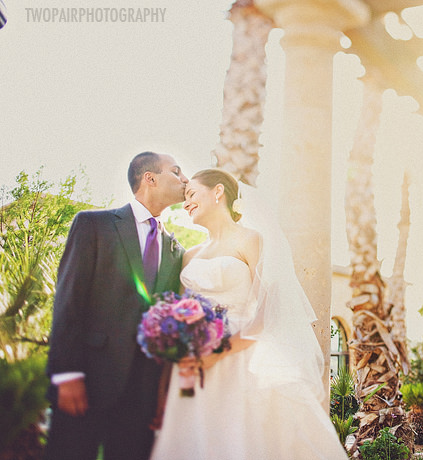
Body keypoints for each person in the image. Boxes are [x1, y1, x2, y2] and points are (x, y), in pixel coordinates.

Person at [150, 168, 348, 460]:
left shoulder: (251, 240)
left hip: (243, 359)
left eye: (191, 194)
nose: (186, 203)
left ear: (218, 192)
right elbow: (179, 312)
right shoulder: (190, 255)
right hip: (193, 365)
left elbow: (270, 310)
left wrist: (219, 351)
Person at [45, 152, 189, 460]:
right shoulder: (94, 225)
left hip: (142, 395)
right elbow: (69, 299)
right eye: (177, 171)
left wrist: (161, 394)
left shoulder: (177, 251)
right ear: (150, 178)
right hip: (87, 378)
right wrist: (67, 373)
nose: (185, 180)